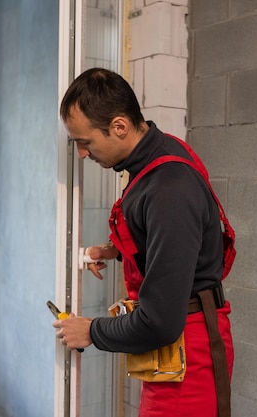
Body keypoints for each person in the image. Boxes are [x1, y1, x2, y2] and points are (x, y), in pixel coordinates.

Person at [53, 67, 234, 417]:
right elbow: (177, 242)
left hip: (187, 359)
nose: (82, 155)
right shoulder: (158, 154)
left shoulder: (169, 188)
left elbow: (160, 322)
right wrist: (120, 249)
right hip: (175, 352)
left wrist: (91, 331)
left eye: (85, 142)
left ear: (119, 126)